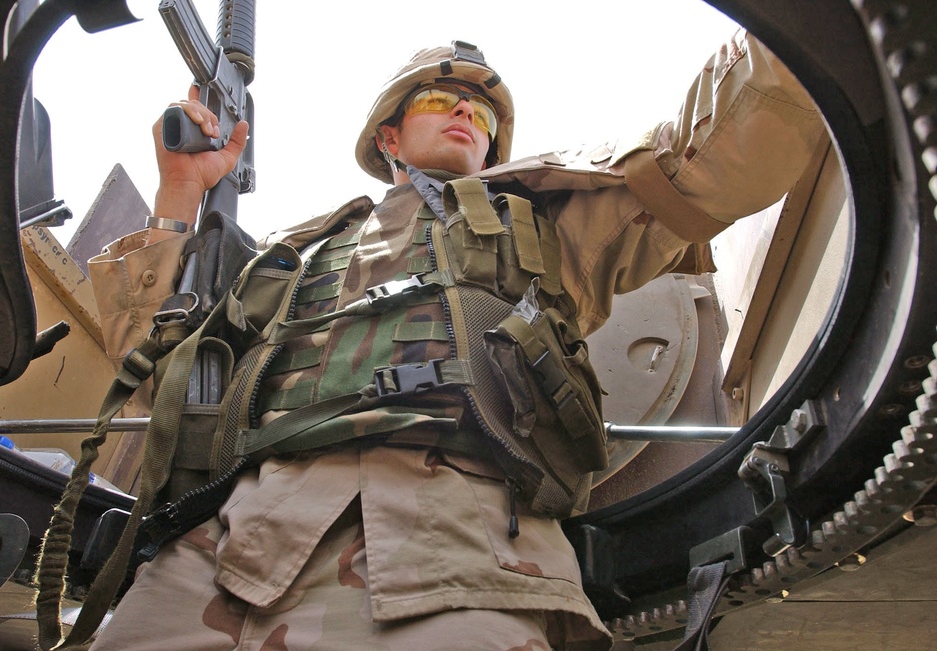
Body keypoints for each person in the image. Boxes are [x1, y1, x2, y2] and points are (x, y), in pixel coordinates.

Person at [87, 31, 824, 650]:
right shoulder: (298, 252)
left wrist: (793, 33)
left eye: (482, 111)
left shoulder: (545, 220)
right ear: (388, 136)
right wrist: (180, 193)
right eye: (440, 99)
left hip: (459, 555)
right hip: (224, 552)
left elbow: (711, 160)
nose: (466, 111)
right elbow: (170, 380)